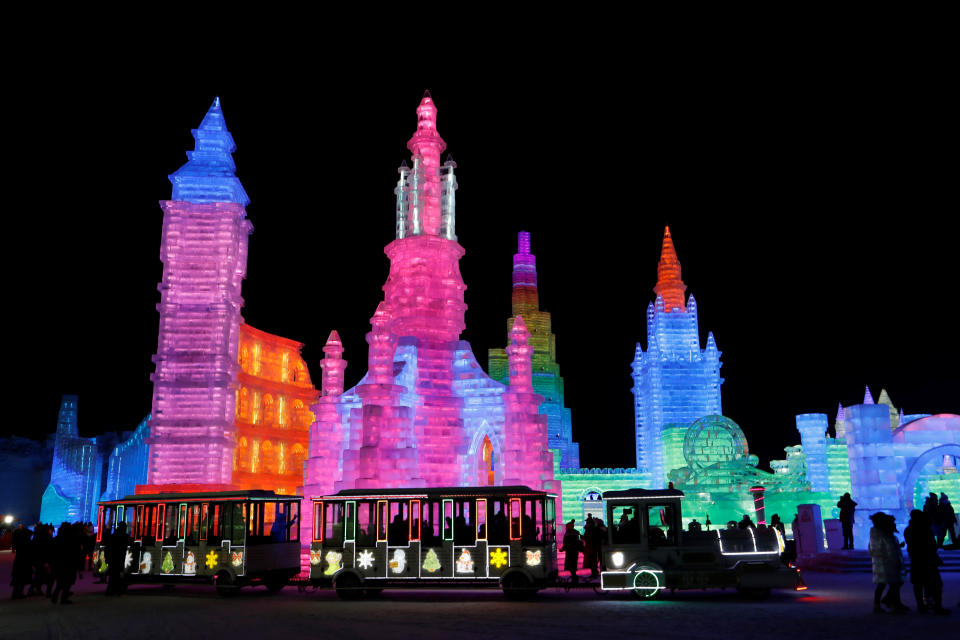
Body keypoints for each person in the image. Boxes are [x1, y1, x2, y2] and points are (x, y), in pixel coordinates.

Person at [903, 510, 950, 615]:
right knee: (936, 584)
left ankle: (922, 606)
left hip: (916, 561)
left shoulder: (909, 530)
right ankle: (936, 606)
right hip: (928, 561)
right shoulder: (925, 529)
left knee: (918, 584)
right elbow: (931, 545)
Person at [868, 512, 908, 614]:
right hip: (889, 564)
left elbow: (873, 550)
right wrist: (897, 562)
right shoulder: (886, 535)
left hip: (881, 564)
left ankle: (880, 605)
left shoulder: (875, 534)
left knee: (883, 585)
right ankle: (894, 605)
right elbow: (890, 551)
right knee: (894, 585)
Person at [50, 522, 79, 604]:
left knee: (60, 582)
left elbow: (52, 552)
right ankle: (63, 598)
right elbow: (75, 552)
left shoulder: (56, 539)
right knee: (67, 582)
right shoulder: (72, 539)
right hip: (69, 564)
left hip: (58, 564)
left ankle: (55, 596)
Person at [105, 521, 131, 596]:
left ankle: (111, 591)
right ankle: (116, 590)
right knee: (117, 575)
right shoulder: (124, 536)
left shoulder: (113, 536)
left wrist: (107, 558)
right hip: (119, 558)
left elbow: (108, 548)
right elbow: (130, 542)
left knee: (113, 576)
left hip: (113, 559)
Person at [10, 524, 33, 599]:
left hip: (19, 561)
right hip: (25, 562)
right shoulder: (26, 542)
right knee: (23, 577)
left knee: (17, 578)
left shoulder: (19, 541)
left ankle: (16, 592)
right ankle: (19, 592)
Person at [560, 520, 583, 585]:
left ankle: (574, 578)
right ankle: (574, 577)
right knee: (573, 564)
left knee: (570, 565)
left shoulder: (567, 533)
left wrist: (563, 549)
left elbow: (566, 543)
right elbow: (578, 542)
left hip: (569, 552)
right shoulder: (576, 533)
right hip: (575, 551)